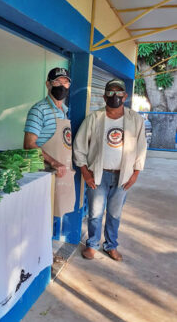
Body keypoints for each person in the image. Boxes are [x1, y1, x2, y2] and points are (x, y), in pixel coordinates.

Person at [73, 78, 147, 261]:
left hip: (123, 176)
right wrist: (85, 173)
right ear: (104, 97)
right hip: (98, 175)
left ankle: (111, 245)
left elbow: (141, 148)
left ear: (125, 96)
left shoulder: (135, 120)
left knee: (114, 214)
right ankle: (92, 244)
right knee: (95, 213)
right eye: (111, 93)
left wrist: (135, 174)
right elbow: (79, 146)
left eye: (119, 93)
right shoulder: (94, 118)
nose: (115, 96)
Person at [24, 67, 75, 218]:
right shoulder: (39, 110)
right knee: (41, 216)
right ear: (48, 84)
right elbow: (29, 144)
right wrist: (53, 162)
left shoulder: (64, 111)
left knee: (54, 215)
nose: (62, 86)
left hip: (60, 173)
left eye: (65, 83)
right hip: (43, 173)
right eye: (57, 81)